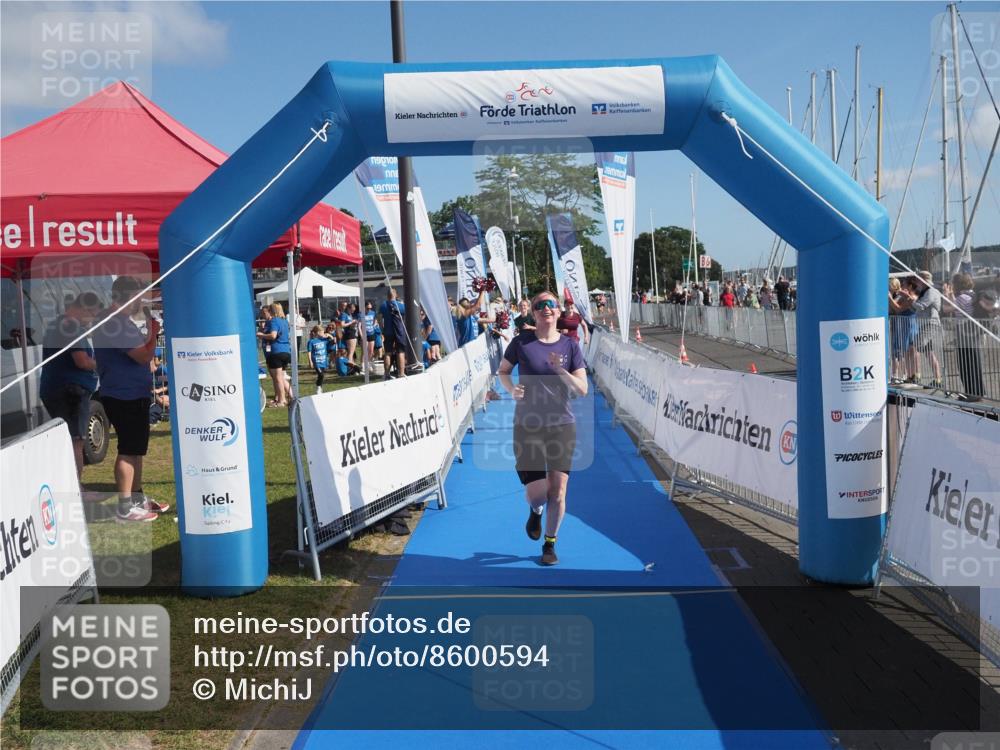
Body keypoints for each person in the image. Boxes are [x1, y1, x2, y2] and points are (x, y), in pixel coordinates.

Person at [497, 291, 588, 566]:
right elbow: (502, 372)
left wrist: (561, 370)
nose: (546, 308)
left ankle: (549, 544)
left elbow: (582, 389)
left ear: (558, 311)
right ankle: (535, 511)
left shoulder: (570, 346)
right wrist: (512, 389)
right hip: (528, 426)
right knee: (538, 493)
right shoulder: (521, 342)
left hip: (562, 425)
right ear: (533, 313)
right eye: (540, 305)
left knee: (558, 491)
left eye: (551, 304)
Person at [92, 277, 169, 522]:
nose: (142, 302)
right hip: (122, 393)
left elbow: (144, 356)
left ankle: (136, 499)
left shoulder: (119, 321)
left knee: (136, 449)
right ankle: (125, 506)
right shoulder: (114, 321)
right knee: (128, 449)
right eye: (140, 296)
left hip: (131, 392)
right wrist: (154, 333)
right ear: (129, 296)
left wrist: (148, 334)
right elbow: (142, 355)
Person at [39, 291, 103, 477]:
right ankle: (77, 489)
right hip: (70, 392)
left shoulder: (57, 325)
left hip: (58, 388)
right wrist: (103, 365)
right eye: (92, 314)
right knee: (76, 441)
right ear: (83, 309)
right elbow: (82, 361)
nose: (91, 320)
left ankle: (72, 485)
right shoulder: (70, 327)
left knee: (69, 439)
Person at [899, 272, 943, 388]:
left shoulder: (931, 292)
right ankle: (937, 380)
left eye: (917, 279)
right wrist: (909, 300)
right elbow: (916, 307)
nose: (916, 282)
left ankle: (916, 376)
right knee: (929, 352)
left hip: (930, 324)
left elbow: (921, 306)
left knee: (914, 347)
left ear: (922, 280)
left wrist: (908, 298)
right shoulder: (925, 291)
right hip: (925, 324)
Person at [947, 274, 983, 401]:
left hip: (964, 332)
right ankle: (977, 392)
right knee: (974, 362)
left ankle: (970, 392)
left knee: (965, 363)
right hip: (973, 332)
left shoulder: (962, 297)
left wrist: (946, 294)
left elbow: (947, 309)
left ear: (958, 284)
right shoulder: (973, 295)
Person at [256, 302, 293, 406]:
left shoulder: (274, 321)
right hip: (286, 351)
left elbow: (273, 336)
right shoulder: (284, 321)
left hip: (276, 351)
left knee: (277, 378)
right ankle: (291, 397)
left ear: (272, 310)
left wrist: (261, 335)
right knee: (281, 377)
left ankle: (282, 400)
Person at [379, 288, 407, 379]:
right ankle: (401, 373)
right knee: (400, 352)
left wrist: (382, 329)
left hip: (387, 332)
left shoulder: (383, 305)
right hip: (399, 332)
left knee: (388, 353)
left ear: (387, 295)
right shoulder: (401, 306)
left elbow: (379, 319)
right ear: (396, 295)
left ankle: (387, 374)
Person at [306, 325, 331, 393]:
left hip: (323, 361)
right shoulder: (311, 341)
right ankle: (318, 387)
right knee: (321, 374)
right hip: (316, 362)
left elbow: (333, 341)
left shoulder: (324, 340)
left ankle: (320, 387)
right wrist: (310, 361)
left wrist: (329, 335)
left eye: (323, 332)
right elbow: (309, 352)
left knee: (321, 375)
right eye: (322, 332)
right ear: (317, 332)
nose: (323, 333)